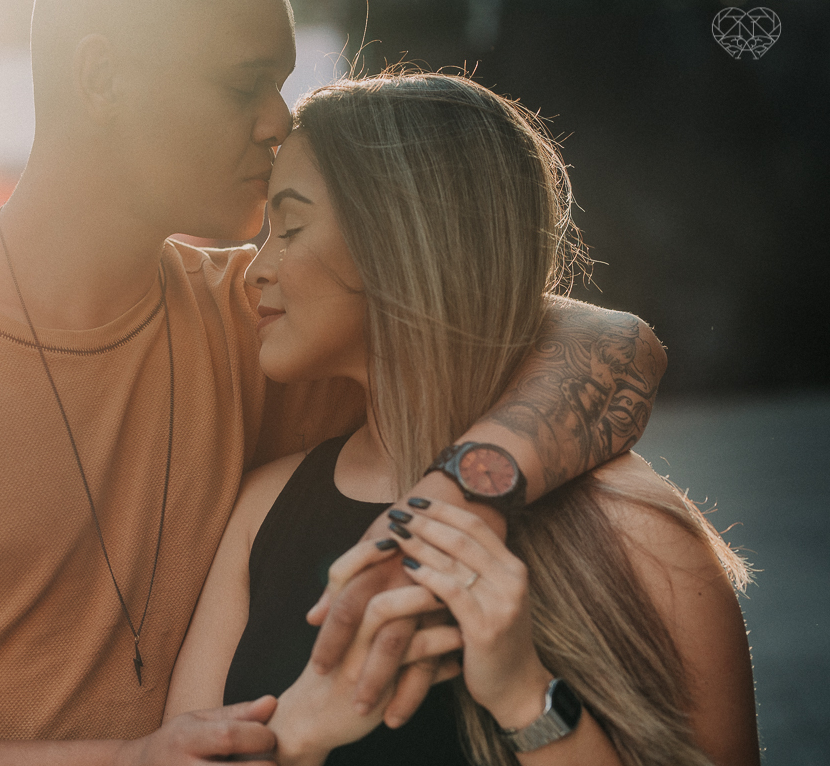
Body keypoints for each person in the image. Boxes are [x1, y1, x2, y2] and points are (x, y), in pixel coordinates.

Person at [0, 0, 667, 764]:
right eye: (243, 82)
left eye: (283, 83)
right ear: (102, 78)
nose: (277, 121)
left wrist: (468, 490)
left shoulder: (259, 312)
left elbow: (608, 344)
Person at [164, 72, 757, 765]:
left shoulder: (644, 538)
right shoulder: (264, 511)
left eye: (290, 226)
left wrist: (526, 699)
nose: (254, 270)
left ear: (404, 244)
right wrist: (301, 729)